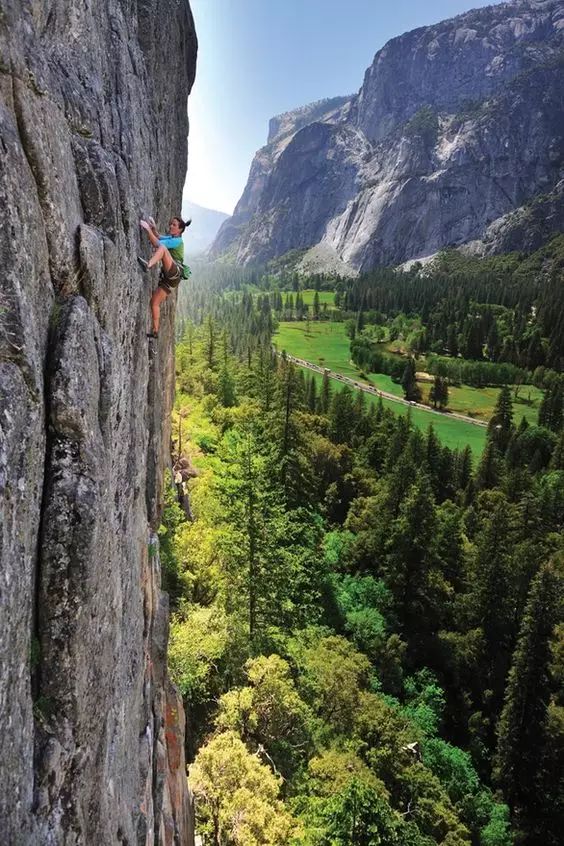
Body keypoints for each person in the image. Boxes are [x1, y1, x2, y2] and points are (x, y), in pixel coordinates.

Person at [138, 215, 191, 338]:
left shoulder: (177, 241)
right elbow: (159, 237)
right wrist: (154, 229)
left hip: (174, 273)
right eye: (171, 224)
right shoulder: (173, 237)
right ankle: (155, 332)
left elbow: (158, 244)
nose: (171, 226)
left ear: (180, 230)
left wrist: (147, 229)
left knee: (162, 248)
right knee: (154, 302)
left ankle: (148, 265)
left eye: (174, 225)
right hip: (170, 279)